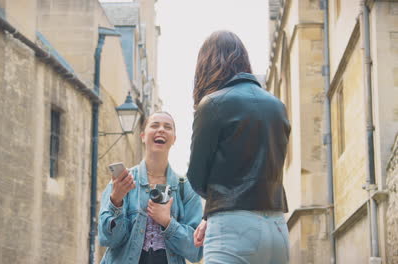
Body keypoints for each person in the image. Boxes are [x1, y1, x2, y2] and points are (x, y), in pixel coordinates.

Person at [187, 30, 291, 264]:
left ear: (206, 64)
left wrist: (220, 210)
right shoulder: (278, 107)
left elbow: (196, 177)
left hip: (233, 229)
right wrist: (208, 218)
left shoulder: (213, 104)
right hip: (277, 229)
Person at [98, 111, 203, 264]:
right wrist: (116, 202)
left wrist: (168, 222)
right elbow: (108, 239)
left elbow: (196, 251)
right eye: (154, 125)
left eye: (167, 127)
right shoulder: (122, 182)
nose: (161, 129)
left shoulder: (186, 188)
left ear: (174, 139)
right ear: (143, 136)